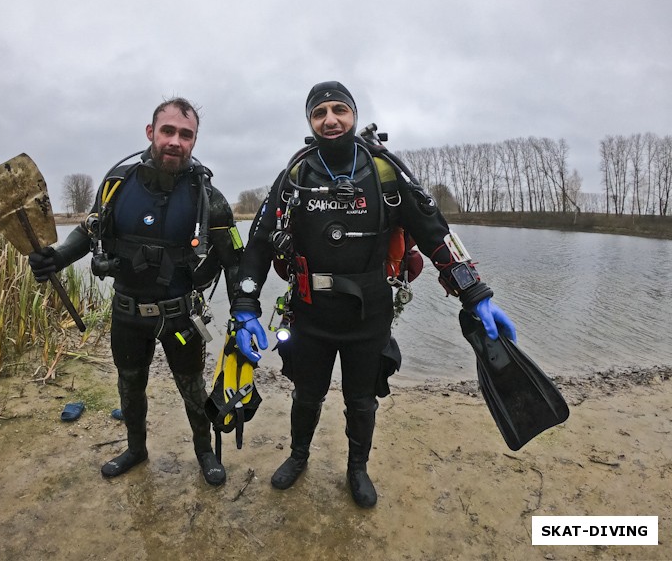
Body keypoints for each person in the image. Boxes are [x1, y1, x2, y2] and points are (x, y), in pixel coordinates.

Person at [229, 81, 517, 508]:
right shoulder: (296, 177)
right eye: (320, 112)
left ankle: (357, 469)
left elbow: (436, 234)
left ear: (354, 116)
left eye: (339, 110)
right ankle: (299, 455)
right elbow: (258, 244)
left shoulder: (385, 175)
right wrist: (245, 306)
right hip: (309, 314)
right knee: (306, 395)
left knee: (361, 401)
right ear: (310, 121)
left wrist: (474, 292)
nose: (330, 119)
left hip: (370, 316)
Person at [29, 97, 244, 486]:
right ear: (151, 133)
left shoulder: (207, 197)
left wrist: (243, 313)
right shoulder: (117, 185)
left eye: (186, 134)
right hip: (127, 313)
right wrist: (56, 258)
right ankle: (135, 448)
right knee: (130, 384)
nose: (175, 141)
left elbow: (234, 258)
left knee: (193, 388)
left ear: (194, 140)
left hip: (181, 315)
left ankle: (205, 451)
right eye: (168, 131)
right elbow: (87, 232)